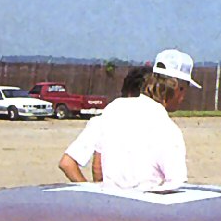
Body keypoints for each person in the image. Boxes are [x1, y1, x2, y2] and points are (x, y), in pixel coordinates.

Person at [57, 49, 196, 190]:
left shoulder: (113, 109)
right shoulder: (168, 129)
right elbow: (176, 185)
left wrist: (93, 195)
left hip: (109, 206)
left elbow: (69, 163)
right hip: (144, 208)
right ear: (179, 88)